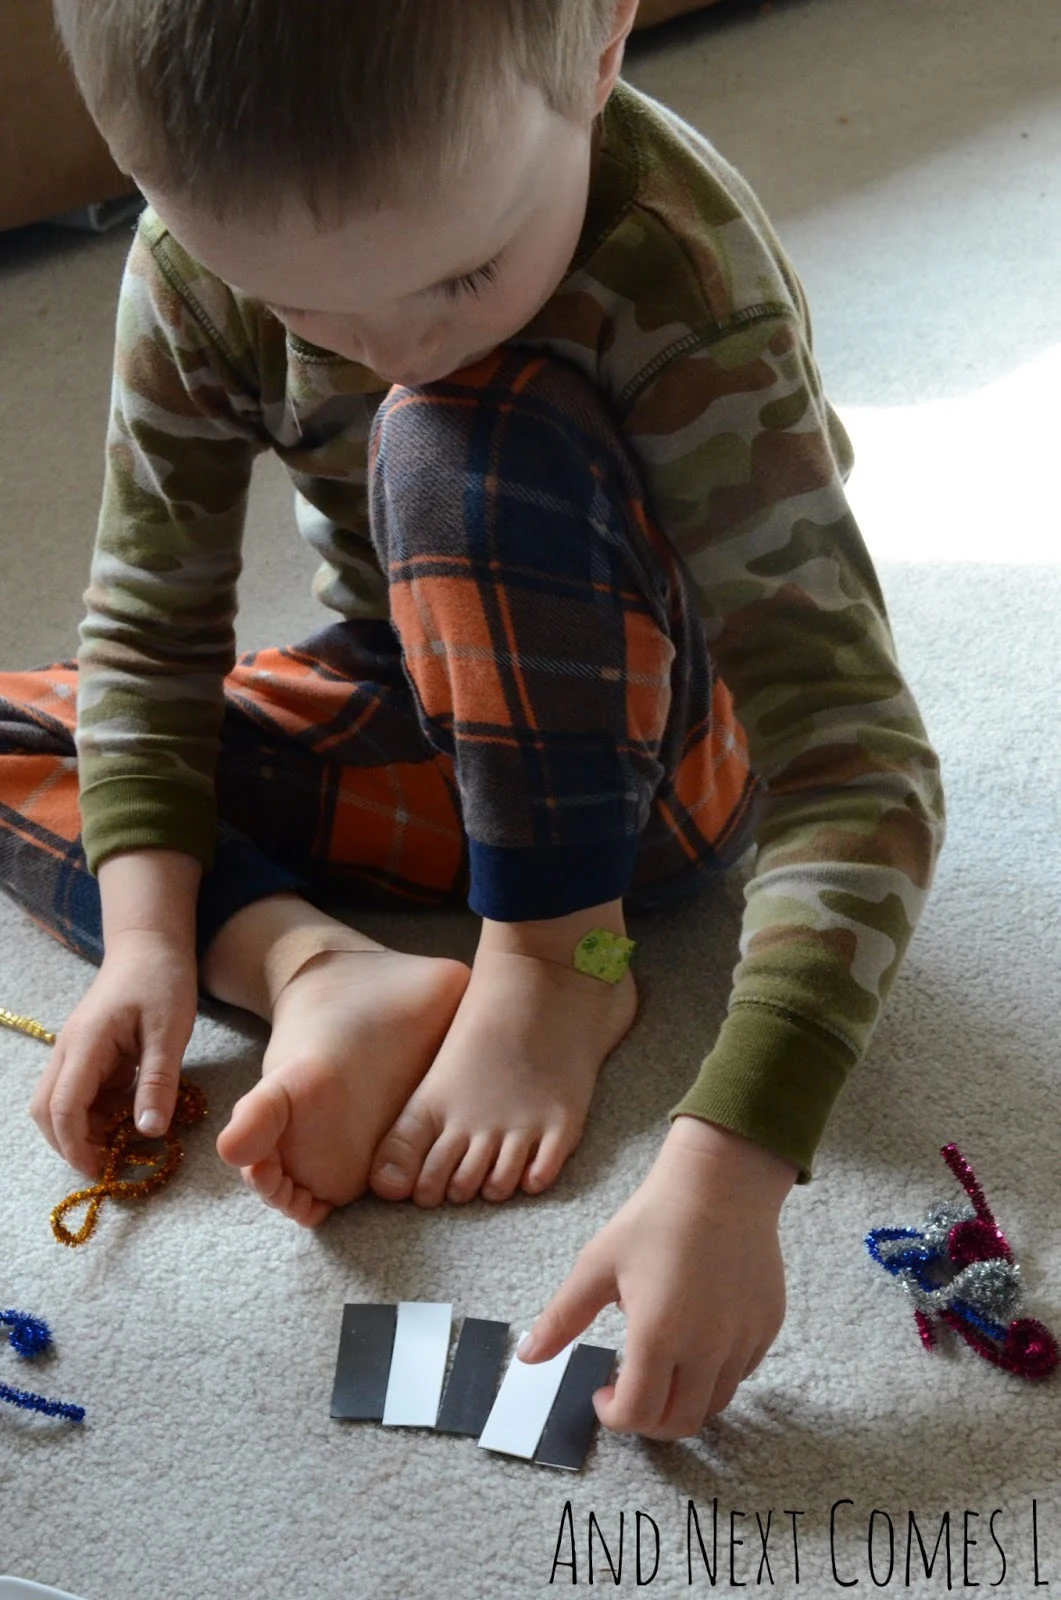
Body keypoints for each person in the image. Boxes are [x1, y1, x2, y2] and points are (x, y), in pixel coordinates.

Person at [0, 0, 944, 1439]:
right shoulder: (190, 266)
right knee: (30, 733)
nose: (388, 344)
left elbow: (857, 757)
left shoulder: (682, 280)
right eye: (304, 307)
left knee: (449, 432)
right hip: (422, 697)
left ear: (604, 44)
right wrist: (148, 938)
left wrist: (730, 1162)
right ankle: (321, 967)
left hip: (671, 755)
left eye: (460, 273)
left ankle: (567, 959)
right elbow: (148, 630)